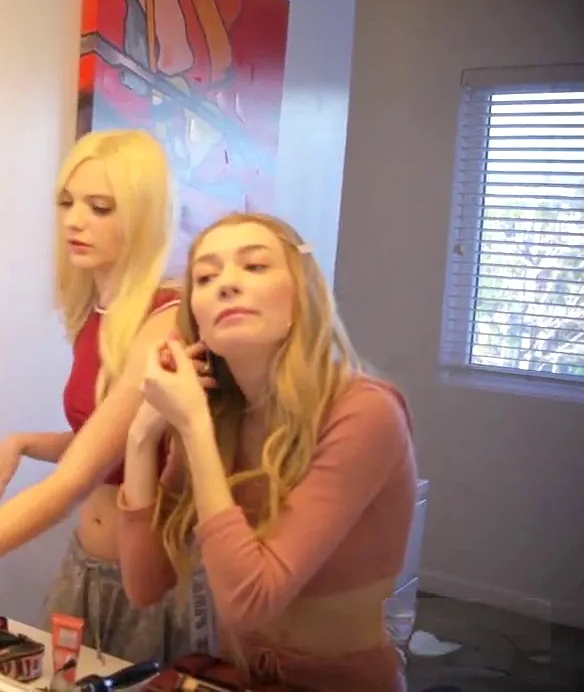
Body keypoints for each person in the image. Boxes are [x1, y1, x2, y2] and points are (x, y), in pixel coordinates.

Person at [0, 129, 214, 663]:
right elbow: (109, 442)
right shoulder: (100, 314)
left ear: (145, 215)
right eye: (66, 202)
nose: (74, 221)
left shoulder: (164, 322)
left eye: (100, 207)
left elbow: (74, 481)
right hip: (84, 564)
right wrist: (27, 441)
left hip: (153, 581)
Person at [118, 212, 416, 691]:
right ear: (196, 319)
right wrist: (141, 438)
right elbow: (144, 585)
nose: (226, 284)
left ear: (302, 294)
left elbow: (251, 601)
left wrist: (192, 426)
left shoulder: (364, 412)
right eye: (206, 277)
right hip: (243, 675)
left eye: (255, 266)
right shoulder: (215, 415)